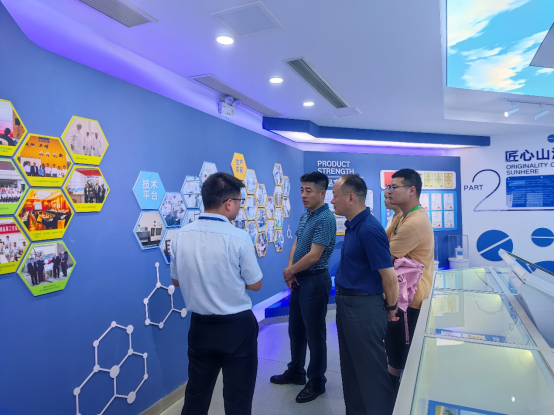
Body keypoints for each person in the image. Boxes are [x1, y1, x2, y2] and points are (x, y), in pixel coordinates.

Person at [170, 172, 263, 416]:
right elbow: (255, 284)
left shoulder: (180, 236)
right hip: (237, 328)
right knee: (238, 397)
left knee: (196, 395)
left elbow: (176, 280)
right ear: (229, 203)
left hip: (200, 328)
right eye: (239, 202)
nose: (239, 207)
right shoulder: (239, 237)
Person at [331, 174, 400, 415]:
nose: (332, 201)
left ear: (351, 197)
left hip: (364, 310)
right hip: (347, 305)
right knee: (351, 370)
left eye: (335, 196)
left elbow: (389, 277)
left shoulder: (369, 229)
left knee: (372, 374)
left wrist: (391, 308)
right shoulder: (353, 226)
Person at [271, 172, 336, 404]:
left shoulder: (326, 218)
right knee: (296, 330)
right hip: (299, 280)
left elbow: (314, 256)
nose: (303, 195)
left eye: (309, 191)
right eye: (301, 190)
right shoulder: (306, 215)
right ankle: (296, 371)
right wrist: (291, 270)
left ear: (322, 193)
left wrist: (290, 271)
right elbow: (297, 243)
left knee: (315, 334)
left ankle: (317, 381)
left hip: (315, 281)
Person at [385, 169, 434, 395]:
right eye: (389, 187)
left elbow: (385, 257)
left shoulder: (414, 222)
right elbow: (384, 240)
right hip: (401, 296)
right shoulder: (402, 216)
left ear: (411, 190)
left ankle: (411, 400)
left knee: (407, 355)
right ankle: (393, 393)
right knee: (395, 351)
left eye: (394, 187)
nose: (389, 191)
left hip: (409, 301)